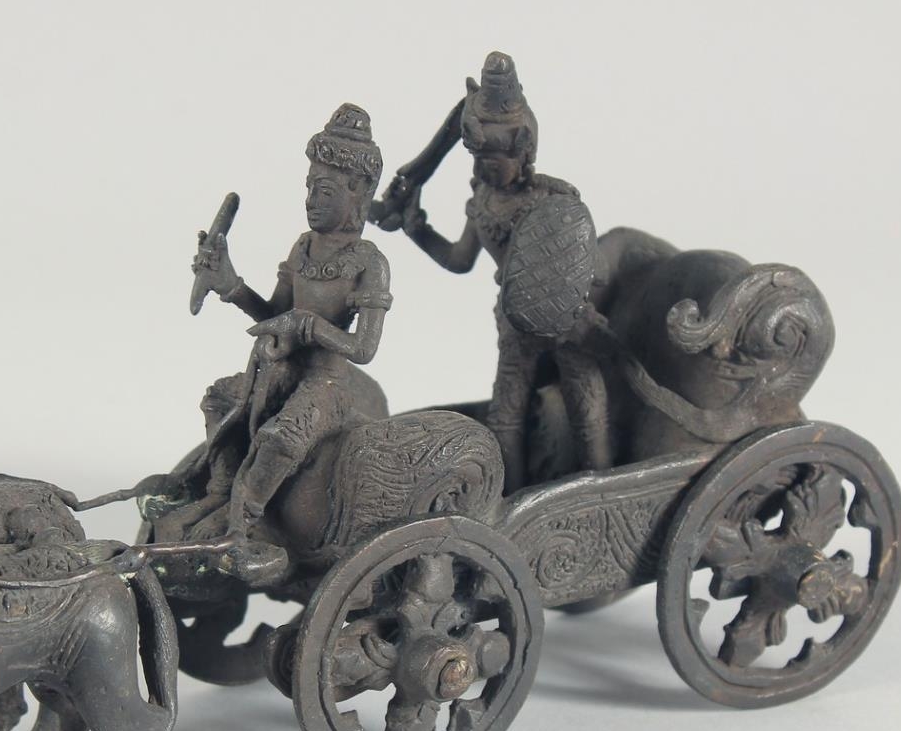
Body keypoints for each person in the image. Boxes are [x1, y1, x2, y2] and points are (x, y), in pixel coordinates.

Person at [373, 52, 611, 492]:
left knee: (588, 407)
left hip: (567, 324)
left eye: (494, 160)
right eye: (478, 159)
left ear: (524, 153)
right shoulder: (482, 202)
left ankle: (599, 492)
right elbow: (459, 259)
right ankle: (514, 502)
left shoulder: (552, 203)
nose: (484, 168)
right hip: (516, 327)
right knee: (505, 419)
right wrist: (415, 228)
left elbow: (584, 265)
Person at [189, 103, 392, 554]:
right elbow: (272, 314)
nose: (311, 201)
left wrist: (308, 326)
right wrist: (231, 284)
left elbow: (363, 348)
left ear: (357, 193)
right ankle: (221, 491)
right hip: (281, 369)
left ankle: (246, 518)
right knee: (219, 398)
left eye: (325, 191)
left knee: (282, 437)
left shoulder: (369, 263)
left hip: (327, 383)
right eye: (309, 188)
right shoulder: (302, 248)